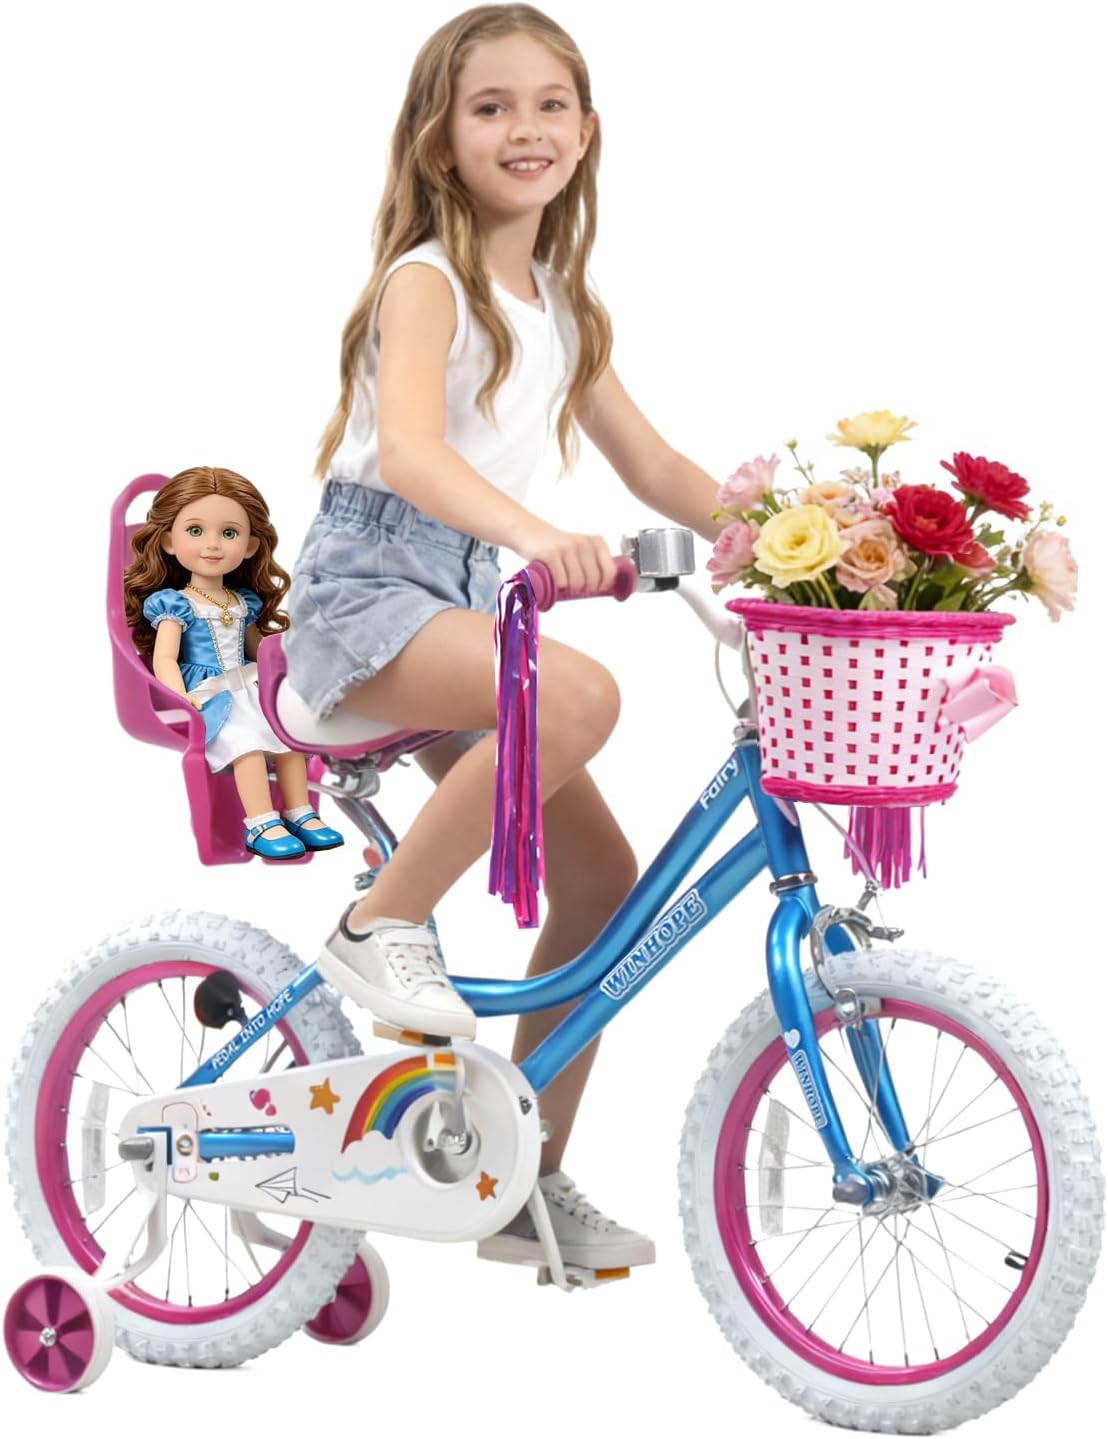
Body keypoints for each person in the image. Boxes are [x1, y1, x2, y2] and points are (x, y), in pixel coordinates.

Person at [285, 3, 724, 1269]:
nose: (525, 128)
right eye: (491, 107)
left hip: (463, 593)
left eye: (549, 105)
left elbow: (659, 467)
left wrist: (809, 536)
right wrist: (537, 533)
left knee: (600, 881)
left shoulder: (563, 305)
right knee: (576, 697)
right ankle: (377, 924)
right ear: (440, 139)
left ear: (586, 133)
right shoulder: (429, 280)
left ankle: (522, 1183)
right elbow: (414, 453)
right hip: (369, 590)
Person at [124, 466, 344, 859]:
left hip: (249, 685)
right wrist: (179, 696)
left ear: (251, 546)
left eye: (229, 534)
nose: (212, 545)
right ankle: (261, 822)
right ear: (169, 542)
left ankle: (300, 813)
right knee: (247, 744)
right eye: (195, 531)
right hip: (210, 693)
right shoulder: (176, 603)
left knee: (287, 739)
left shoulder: (242, 601)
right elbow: (165, 658)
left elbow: (257, 649)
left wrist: (295, 660)